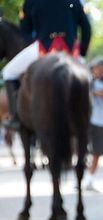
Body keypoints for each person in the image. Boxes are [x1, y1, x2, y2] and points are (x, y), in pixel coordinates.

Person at [2, 0, 91, 130]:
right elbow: (86, 28)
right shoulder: (75, 1)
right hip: (70, 50)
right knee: (88, 77)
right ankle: (88, 113)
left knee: (8, 73)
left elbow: (24, 30)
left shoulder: (31, 2)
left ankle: (16, 117)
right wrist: (82, 51)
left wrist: (34, 42)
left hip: (42, 47)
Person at [83, 56, 103, 191]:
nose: (102, 71)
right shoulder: (87, 81)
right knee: (84, 151)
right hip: (87, 121)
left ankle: (89, 179)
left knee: (97, 152)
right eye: (99, 68)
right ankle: (82, 178)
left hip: (100, 121)